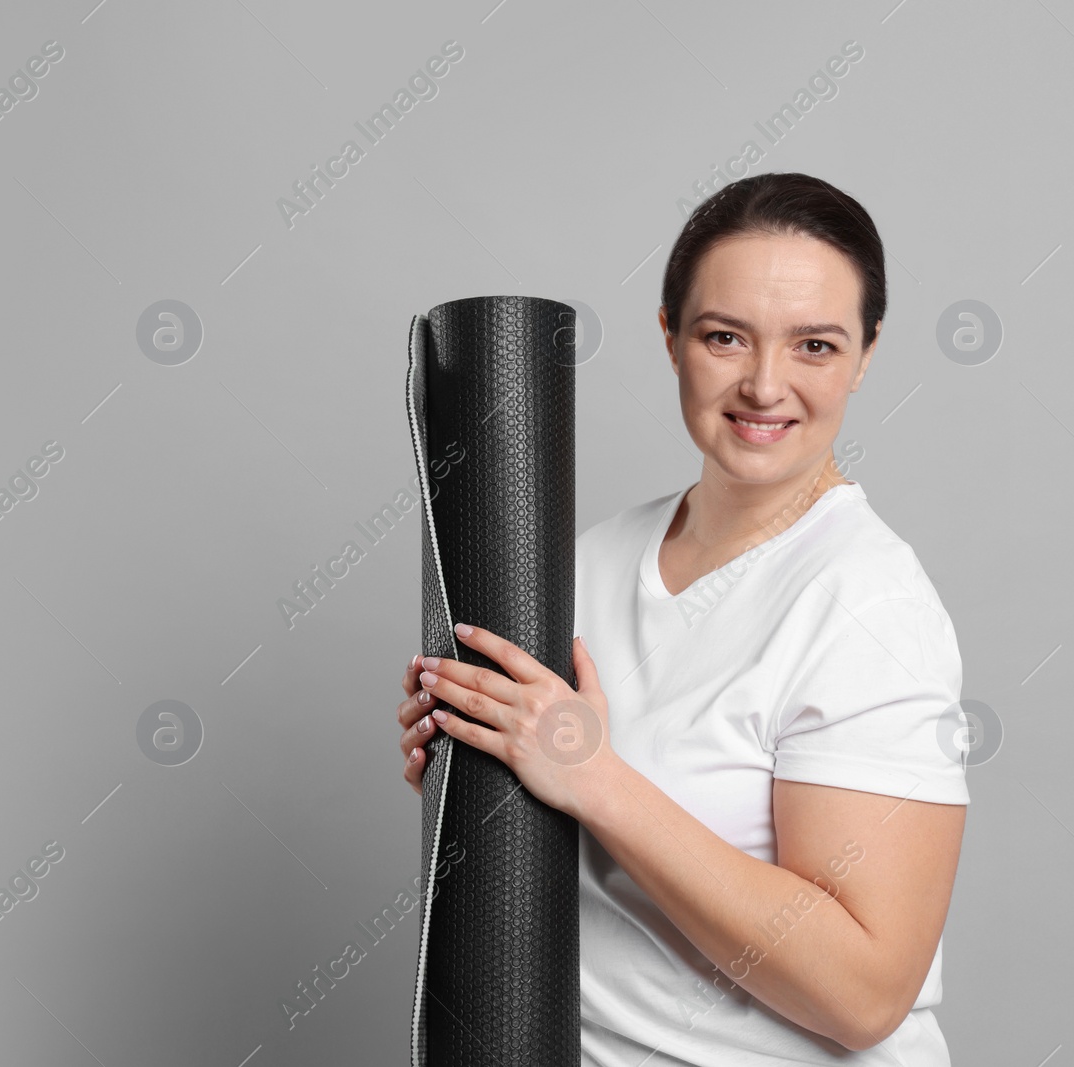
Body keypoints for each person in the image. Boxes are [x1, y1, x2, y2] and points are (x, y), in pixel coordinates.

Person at [393, 172, 970, 1065]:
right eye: (725, 336)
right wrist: (469, 746)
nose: (765, 385)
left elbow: (864, 993)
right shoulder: (580, 561)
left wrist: (592, 776)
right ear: (671, 338)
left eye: (815, 344)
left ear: (866, 353)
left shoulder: (868, 603)